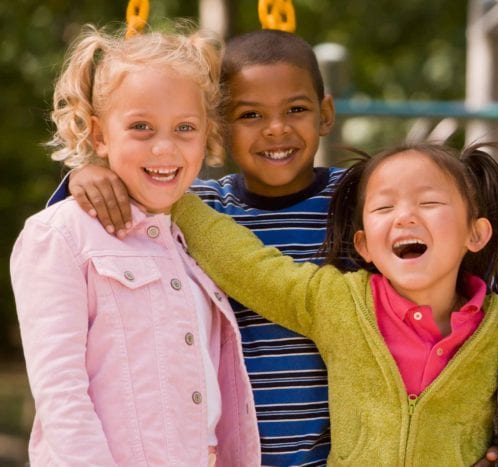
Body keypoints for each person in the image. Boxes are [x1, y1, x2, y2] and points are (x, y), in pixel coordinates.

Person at [49, 29, 340, 464]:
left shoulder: (357, 199)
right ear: (217, 125)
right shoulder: (199, 206)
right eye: (250, 115)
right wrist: (85, 175)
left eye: (295, 110)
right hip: (229, 452)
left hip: (334, 451)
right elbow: (122, 207)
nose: (276, 129)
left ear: (325, 114)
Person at [169, 143, 498, 465]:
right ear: (363, 245)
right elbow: (248, 266)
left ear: (476, 234)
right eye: (384, 207)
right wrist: (171, 199)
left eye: (428, 203)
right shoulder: (338, 302)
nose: (404, 216)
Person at [11, 24, 260, 465]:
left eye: (185, 127)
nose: (164, 147)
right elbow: (62, 396)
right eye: (141, 127)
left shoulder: (191, 239)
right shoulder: (60, 236)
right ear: (100, 135)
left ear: (206, 136)